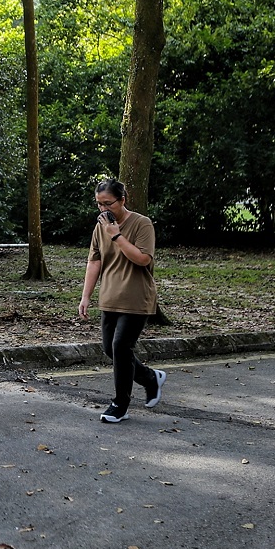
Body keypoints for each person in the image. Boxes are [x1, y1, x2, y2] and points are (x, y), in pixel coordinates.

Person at [78, 178, 166, 423]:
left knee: (120, 347)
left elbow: (142, 259)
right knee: (110, 349)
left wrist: (116, 235)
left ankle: (120, 404)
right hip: (110, 297)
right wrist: (86, 296)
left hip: (137, 297)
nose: (103, 210)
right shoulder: (100, 227)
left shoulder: (141, 224)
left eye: (108, 204)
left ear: (123, 200)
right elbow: (94, 261)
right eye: (98, 204)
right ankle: (150, 378)